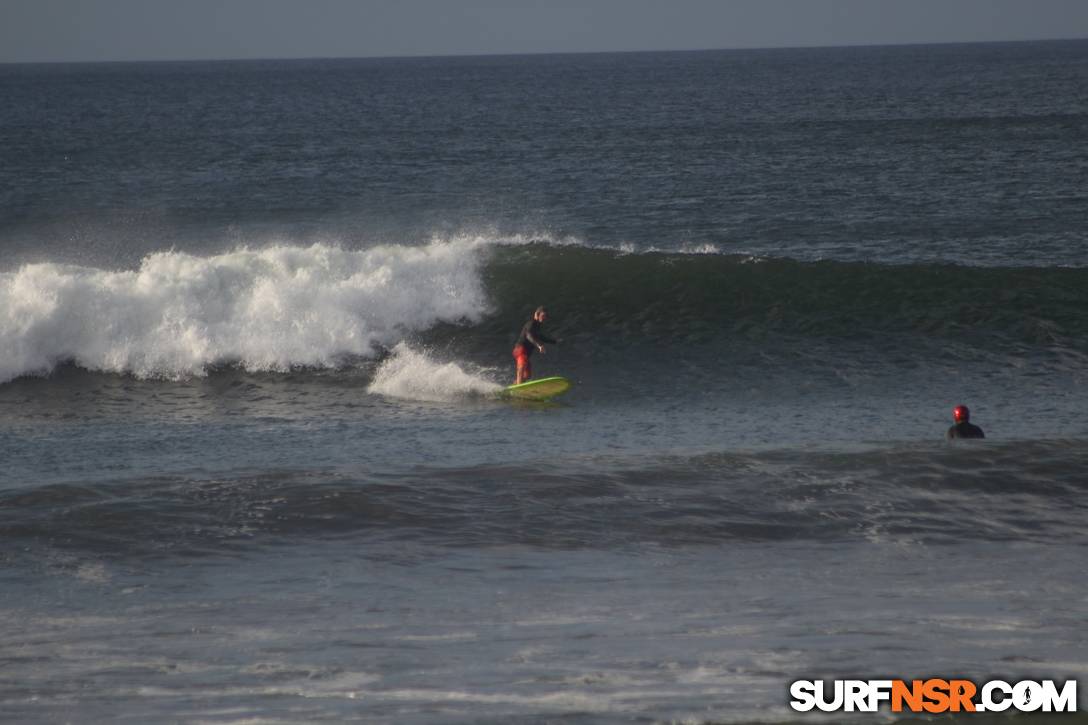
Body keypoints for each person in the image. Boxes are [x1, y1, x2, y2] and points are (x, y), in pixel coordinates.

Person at [512, 306, 558, 385]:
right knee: (521, 368)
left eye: (546, 316)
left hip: (526, 353)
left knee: (527, 375)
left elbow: (542, 337)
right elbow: (528, 335)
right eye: (543, 315)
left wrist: (555, 341)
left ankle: (514, 386)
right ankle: (519, 391)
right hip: (521, 349)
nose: (544, 318)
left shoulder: (537, 327)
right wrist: (539, 345)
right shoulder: (531, 323)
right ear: (537, 314)